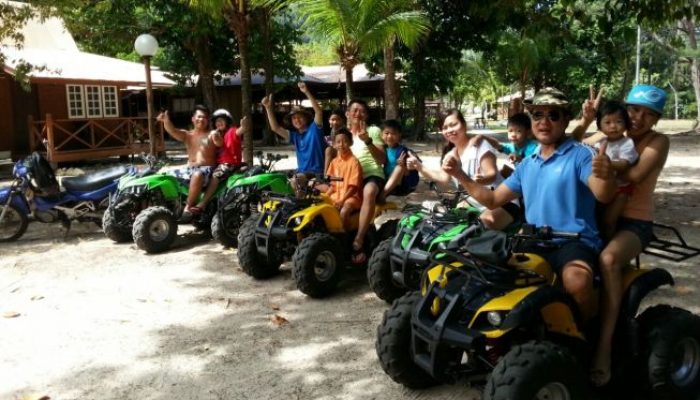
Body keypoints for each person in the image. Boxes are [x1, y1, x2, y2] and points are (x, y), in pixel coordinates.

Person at [440, 88, 616, 324]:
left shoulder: (581, 155)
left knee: (577, 281)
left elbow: (603, 194)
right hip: (534, 241)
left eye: (553, 115)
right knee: (489, 277)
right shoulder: (527, 164)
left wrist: (605, 175)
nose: (544, 122)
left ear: (565, 120)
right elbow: (492, 200)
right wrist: (461, 175)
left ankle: (582, 338)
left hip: (574, 241)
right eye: (537, 115)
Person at [588, 84, 669, 387]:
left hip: (634, 223)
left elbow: (634, 174)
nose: (639, 119)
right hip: (597, 218)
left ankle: (605, 348)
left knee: (608, 259)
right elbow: (571, 146)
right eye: (634, 110)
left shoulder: (657, 142)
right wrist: (585, 121)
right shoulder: (607, 133)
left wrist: (605, 163)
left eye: (649, 115)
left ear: (657, 120)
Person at [406, 109, 520, 230]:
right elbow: (443, 178)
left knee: (474, 232)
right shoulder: (450, 154)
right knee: (445, 227)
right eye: (445, 127)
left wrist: (482, 180)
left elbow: (491, 174)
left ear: (464, 125)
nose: (449, 130)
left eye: (453, 125)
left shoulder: (479, 144)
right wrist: (419, 166)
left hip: (500, 202)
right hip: (474, 204)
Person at [261, 82, 326, 193]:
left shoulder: (314, 129)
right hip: (301, 173)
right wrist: (268, 108)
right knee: (275, 181)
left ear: (306, 118)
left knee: (295, 181)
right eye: (294, 118)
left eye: (300, 117)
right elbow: (275, 128)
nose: (297, 120)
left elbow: (318, 111)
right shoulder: (294, 136)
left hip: (315, 173)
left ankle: (298, 205)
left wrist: (306, 92)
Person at [157, 105, 217, 220]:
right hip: (188, 168)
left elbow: (220, 143)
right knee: (161, 172)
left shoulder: (212, 134)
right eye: (199, 117)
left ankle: (188, 208)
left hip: (206, 170)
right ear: (193, 119)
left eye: (204, 117)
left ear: (208, 120)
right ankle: (162, 205)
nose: (201, 119)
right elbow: (172, 131)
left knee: (197, 174)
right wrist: (166, 120)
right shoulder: (188, 135)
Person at [591, 100, 638, 241]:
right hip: (601, 187)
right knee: (596, 218)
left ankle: (609, 244)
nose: (613, 126)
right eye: (608, 122)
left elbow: (625, 164)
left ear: (626, 124)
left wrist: (607, 163)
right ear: (600, 125)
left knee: (609, 221)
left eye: (618, 122)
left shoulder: (627, 143)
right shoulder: (600, 142)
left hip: (620, 190)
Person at [346, 99, 386, 264]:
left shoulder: (373, 131)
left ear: (367, 115)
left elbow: (382, 159)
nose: (358, 113)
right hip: (350, 176)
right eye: (354, 110)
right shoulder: (344, 135)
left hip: (372, 174)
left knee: (369, 192)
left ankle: (359, 239)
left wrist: (367, 141)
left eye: (362, 111)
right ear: (347, 114)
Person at [196, 109, 249, 210]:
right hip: (219, 164)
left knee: (216, 176)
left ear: (227, 122)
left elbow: (241, 130)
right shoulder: (216, 135)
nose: (219, 123)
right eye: (217, 121)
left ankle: (202, 203)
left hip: (230, 164)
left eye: (221, 120)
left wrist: (244, 126)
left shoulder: (232, 131)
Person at [472, 112, 538, 178]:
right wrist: (483, 137)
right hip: (522, 174)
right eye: (510, 131)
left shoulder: (533, 147)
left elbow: (534, 166)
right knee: (501, 172)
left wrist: (520, 159)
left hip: (532, 177)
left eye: (519, 131)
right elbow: (497, 145)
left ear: (528, 132)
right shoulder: (512, 146)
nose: (513, 135)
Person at [325, 128, 363, 230]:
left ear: (350, 143)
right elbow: (332, 185)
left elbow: (353, 188)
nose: (341, 144)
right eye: (338, 142)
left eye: (345, 141)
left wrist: (342, 200)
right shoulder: (334, 162)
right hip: (336, 195)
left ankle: (346, 237)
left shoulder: (354, 162)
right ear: (334, 144)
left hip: (351, 198)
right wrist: (325, 196)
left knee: (344, 211)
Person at [377, 119, 419, 203]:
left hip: (403, 184)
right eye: (386, 133)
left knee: (400, 166)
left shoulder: (403, 151)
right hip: (389, 181)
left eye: (393, 133)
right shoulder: (382, 149)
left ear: (399, 135)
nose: (389, 136)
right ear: (381, 135)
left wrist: (405, 166)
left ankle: (382, 195)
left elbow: (410, 173)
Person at [324, 109, 346, 174]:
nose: (335, 122)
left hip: (345, 153)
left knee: (329, 150)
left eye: (338, 119)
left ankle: (326, 175)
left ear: (342, 120)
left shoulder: (344, 130)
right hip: (337, 154)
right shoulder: (333, 130)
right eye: (332, 120)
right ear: (329, 121)